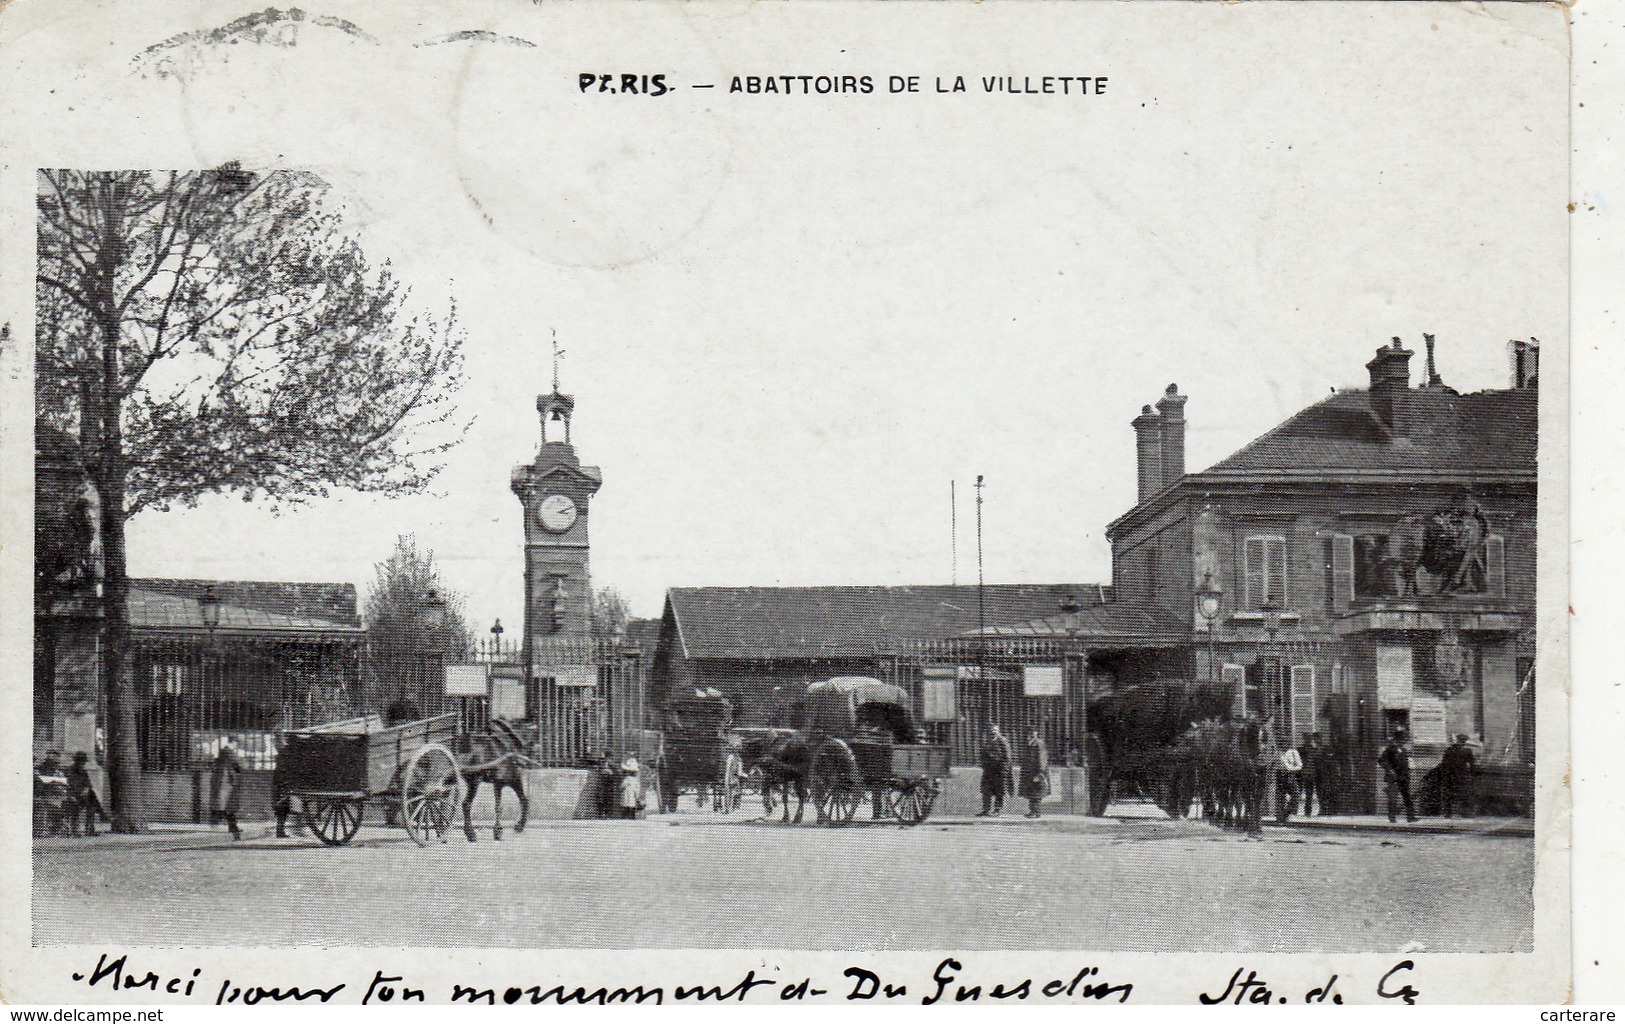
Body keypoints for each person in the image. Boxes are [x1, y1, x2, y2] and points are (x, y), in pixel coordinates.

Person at [1378, 728, 1418, 823]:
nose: (1404, 741)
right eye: (1403, 739)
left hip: (1403, 777)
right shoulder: (1390, 749)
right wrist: (1390, 770)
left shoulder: (1403, 750)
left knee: (1407, 797)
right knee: (1393, 798)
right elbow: (1381, 761)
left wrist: (1408, 774)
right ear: (1397, 739)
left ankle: (1410, 817)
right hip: (1394, 777)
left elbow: (1405, 764)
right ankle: (1392, 817)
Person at [65, 752, 110, 837]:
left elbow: (89, 784)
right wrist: (81, 791)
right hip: (72, 795)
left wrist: (86, 789)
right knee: (91, 798)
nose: (82, 764)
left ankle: (90, 829)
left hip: (83, 796)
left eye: (83, 762)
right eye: (81, 762)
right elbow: (70, 784)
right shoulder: (70, 771)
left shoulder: (83, 772)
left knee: (91, 799)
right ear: (76, 761)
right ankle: (101, 814)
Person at [210, 739, 245, 840]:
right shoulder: (228, 752)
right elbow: (239, 764)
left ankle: (230, 826)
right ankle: (225, 824)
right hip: (227, 782)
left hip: (224, 781)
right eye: (236, 744)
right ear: (233, 742)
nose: (236, 747)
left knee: (226, 805)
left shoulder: (223, 752)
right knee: (228, 805)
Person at [977, 723, 1013, 817]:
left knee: (999, 791)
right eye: (991, 730)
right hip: (988, 771)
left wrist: (1004, 771)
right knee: (986, 790)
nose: (993, 732)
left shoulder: (1002, 741)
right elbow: (983, 754)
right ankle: (986, 809)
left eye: (995, 730)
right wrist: (983, 764)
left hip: (999, 771)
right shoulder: (987, 741)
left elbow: (1007, 757)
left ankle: (998, 809)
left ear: (998, 731)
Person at [1439, 733, 1477, 817]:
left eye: (1463, 741)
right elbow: (1445, 762)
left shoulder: (1458, 750)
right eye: (1461, 740)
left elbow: (1472, 763)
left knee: (1458, 793)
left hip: (1457, 775)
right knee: (1455, 793)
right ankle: (1453, 813)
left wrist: (1472, 773)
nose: (1462, 742)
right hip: (1455, 775)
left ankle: (1456, 813)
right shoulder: (1455, 750)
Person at [34, 751, 69, 837]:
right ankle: (52, 828)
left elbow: (64, 785)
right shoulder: (39, 770)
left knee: (65, 803)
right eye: (51, 762)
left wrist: (60, 788)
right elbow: (39, 786)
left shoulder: (58, 772)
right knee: (51, 806)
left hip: (57, 796)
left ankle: (59, 827)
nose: (54, 766)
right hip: (45, 796)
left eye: (55, 763)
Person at [1019, 727, 1050, 819]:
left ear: (1036, 733)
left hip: (1036, 773)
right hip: (1030, 773)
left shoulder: (1039, 744)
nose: (1030, 734)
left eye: (1033, 732)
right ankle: (1033, 811)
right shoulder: (1030, 744)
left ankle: (1036, 811)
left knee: (1036, 793)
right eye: (1029, 733)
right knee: (1032, 792)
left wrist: (1040, 773)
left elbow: (1042, 759)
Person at [1276, 743, 1304, 823]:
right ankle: (1280, 817)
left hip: (1290, 775)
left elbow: (1300, 765)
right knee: (1280, 797)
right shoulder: (1277, 752)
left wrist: (1290, 769)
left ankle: (1287, 812)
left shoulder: (1293, 752)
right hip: (1279, 776)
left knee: (1296, 795)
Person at [1300, 732, 1326, 817]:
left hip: (1317, 773)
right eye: (1307, 738)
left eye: (1310, 738)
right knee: (1308, 793)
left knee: (1319, 792)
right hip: (1308, 774)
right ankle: (1307, 811)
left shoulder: (1315, 749)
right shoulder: (1301, 750)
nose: (1309, 740)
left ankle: (1322, 809)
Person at [619, 753, 642, 819]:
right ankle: (632, 817)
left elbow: (622, 786)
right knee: (632, 807)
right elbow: (638, 788)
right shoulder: (636, 780)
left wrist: (620, 788)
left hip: (626, 797)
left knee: (626, 807)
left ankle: (624, 817)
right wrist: (637, 795)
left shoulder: (627, 779)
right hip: (633, 797)